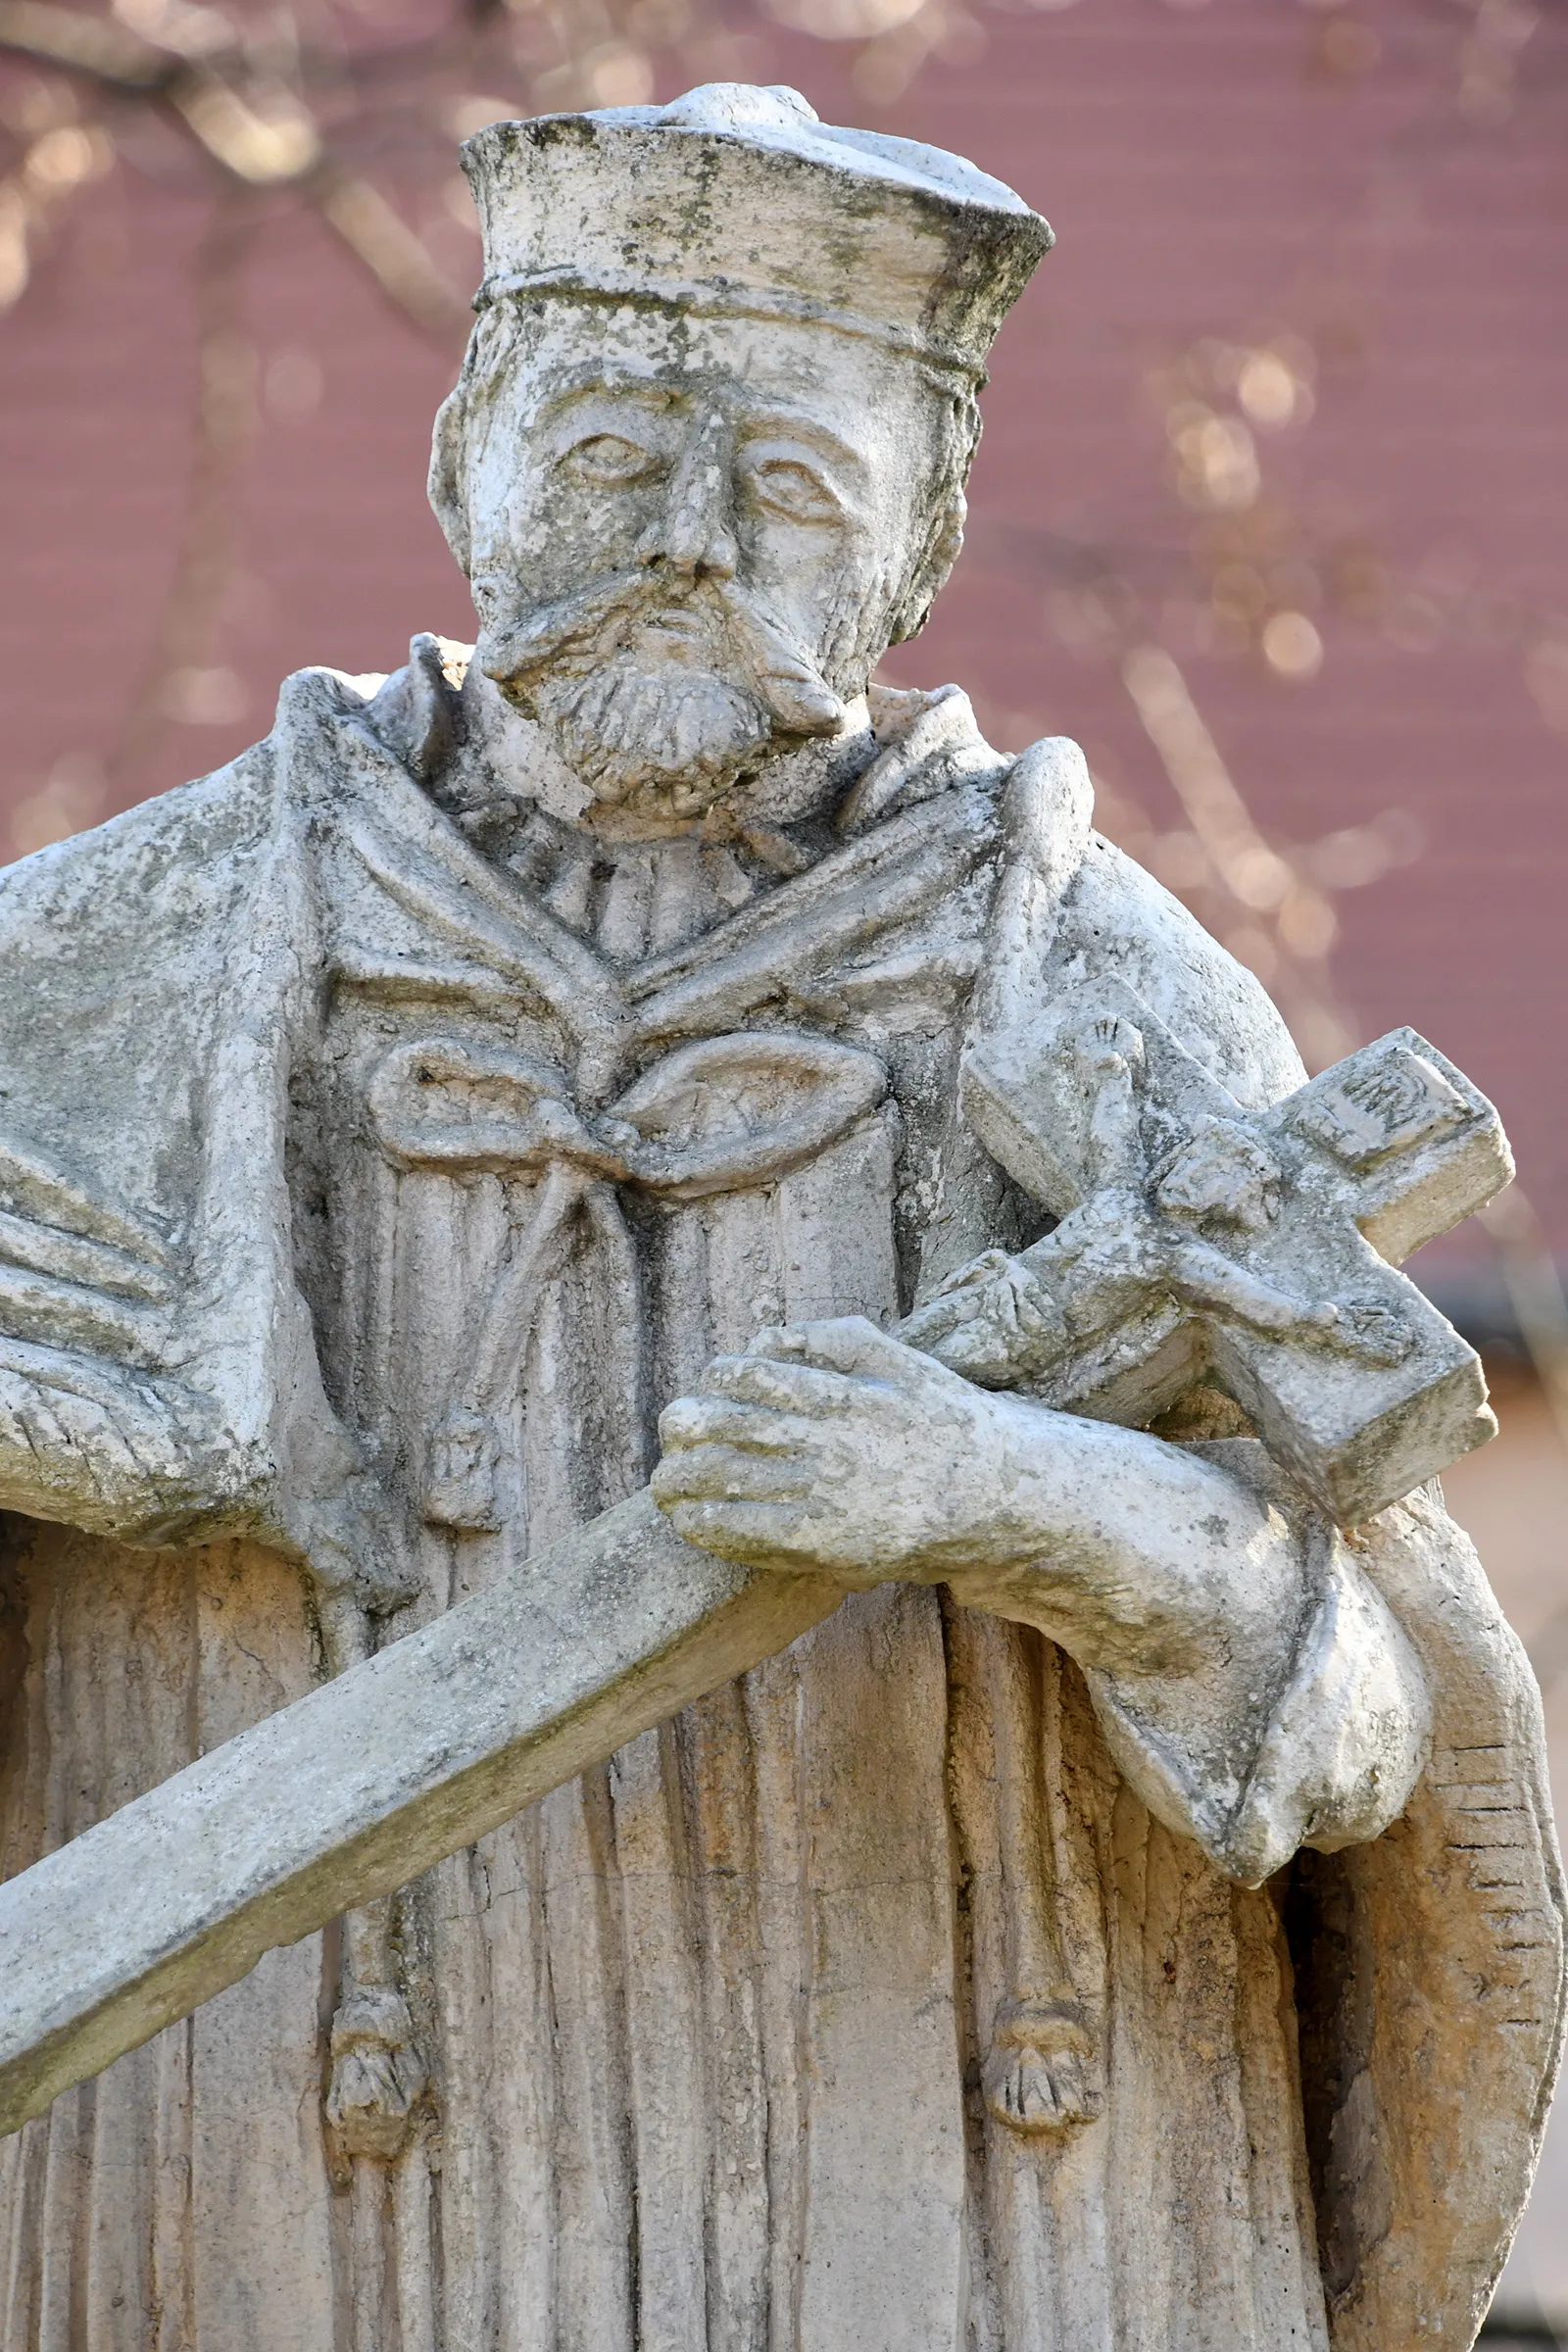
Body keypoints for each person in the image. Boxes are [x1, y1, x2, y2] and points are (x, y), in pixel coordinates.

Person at [0, 82, 1557, 2352]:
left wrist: (1015, 1497)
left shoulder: (1100, 1012)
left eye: (793, 482)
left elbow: (1351, 1732)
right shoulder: (96, 983)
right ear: (462, 472)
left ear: (917, 543)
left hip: (938, 2203)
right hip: (261, 2204)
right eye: (614, 458)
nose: (696, 542)